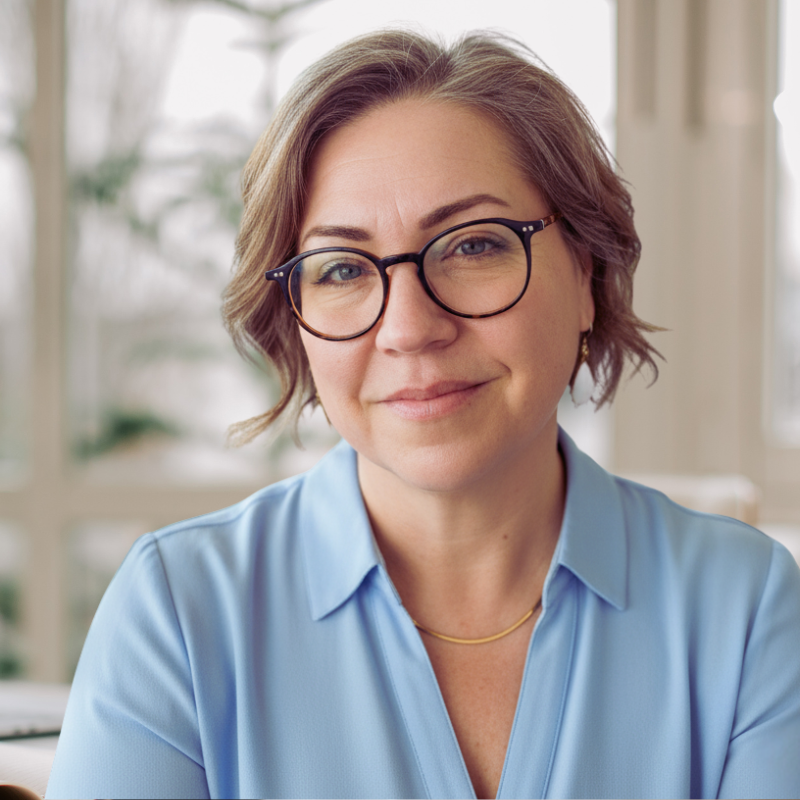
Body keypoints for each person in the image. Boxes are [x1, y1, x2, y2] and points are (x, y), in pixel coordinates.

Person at [47, 30, 800, 800]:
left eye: (473, 246)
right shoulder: (178, 613)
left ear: (586, 273)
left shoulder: (747, 609)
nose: (409, 328)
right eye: (341, 268)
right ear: (297, 321)